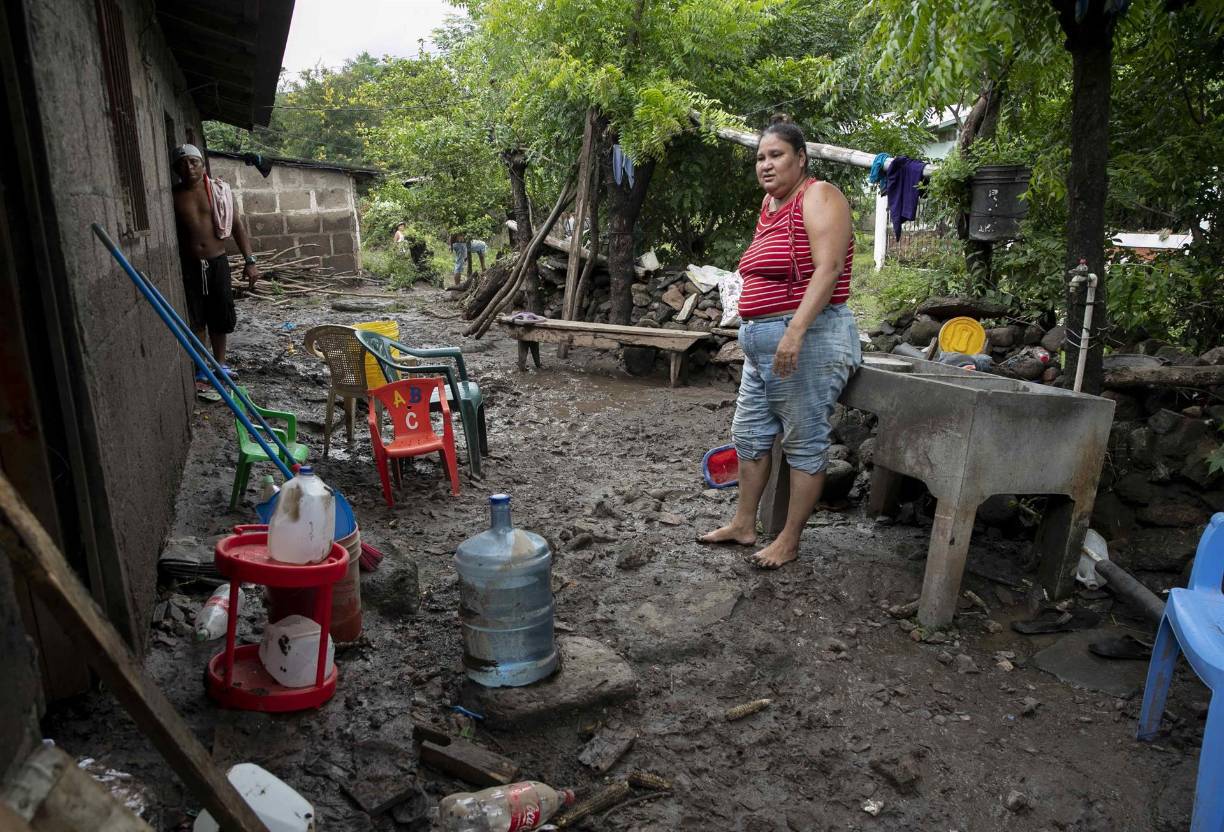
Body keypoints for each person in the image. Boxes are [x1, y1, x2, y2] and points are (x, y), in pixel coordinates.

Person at [699, 115, 862, 569]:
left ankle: (789, 540)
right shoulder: (771, 206)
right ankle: (744, 524)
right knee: (749, 435)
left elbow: (828, 269)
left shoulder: (819, 195)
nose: (766, 165)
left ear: (801, 158)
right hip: (763, 345)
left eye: (776, 155)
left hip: (807, 338)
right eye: (760, 158)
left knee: (804, 441)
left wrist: (794, 332)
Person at [171, 144, 258, 382]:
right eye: (182, 164)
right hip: (190, 266)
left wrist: (250, 261)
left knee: (220, 316)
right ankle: (202, 367)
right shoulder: (173, 196)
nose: (189, 168)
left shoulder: (220, 192)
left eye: (193, 162)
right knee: (197, 317)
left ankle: (219, 364)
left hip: (217, 262)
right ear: (176, 170)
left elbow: (237, 226)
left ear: (202, 165)